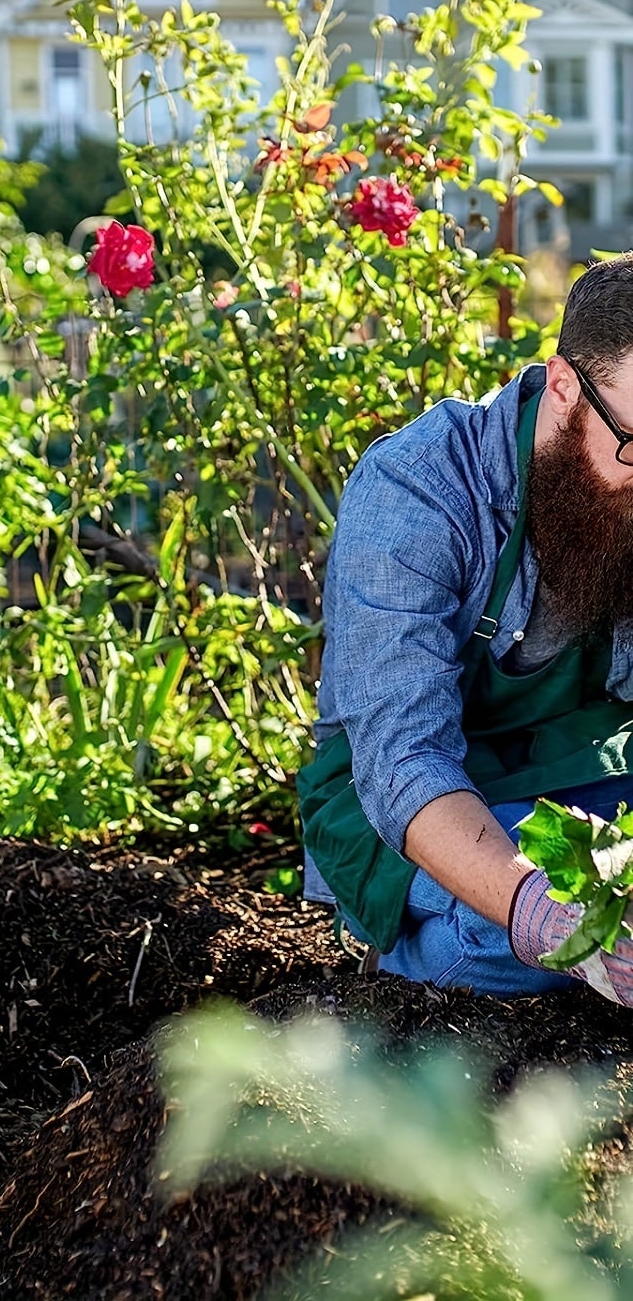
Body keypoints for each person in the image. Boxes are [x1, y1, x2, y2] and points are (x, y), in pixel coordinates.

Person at [299, 252, 633, 1002]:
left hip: (582, 778)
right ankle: (418, 965)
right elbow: (402, 759)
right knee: (520, 937)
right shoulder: (418, 489)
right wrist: (538, 914)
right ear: (563, 388)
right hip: (414, 807)